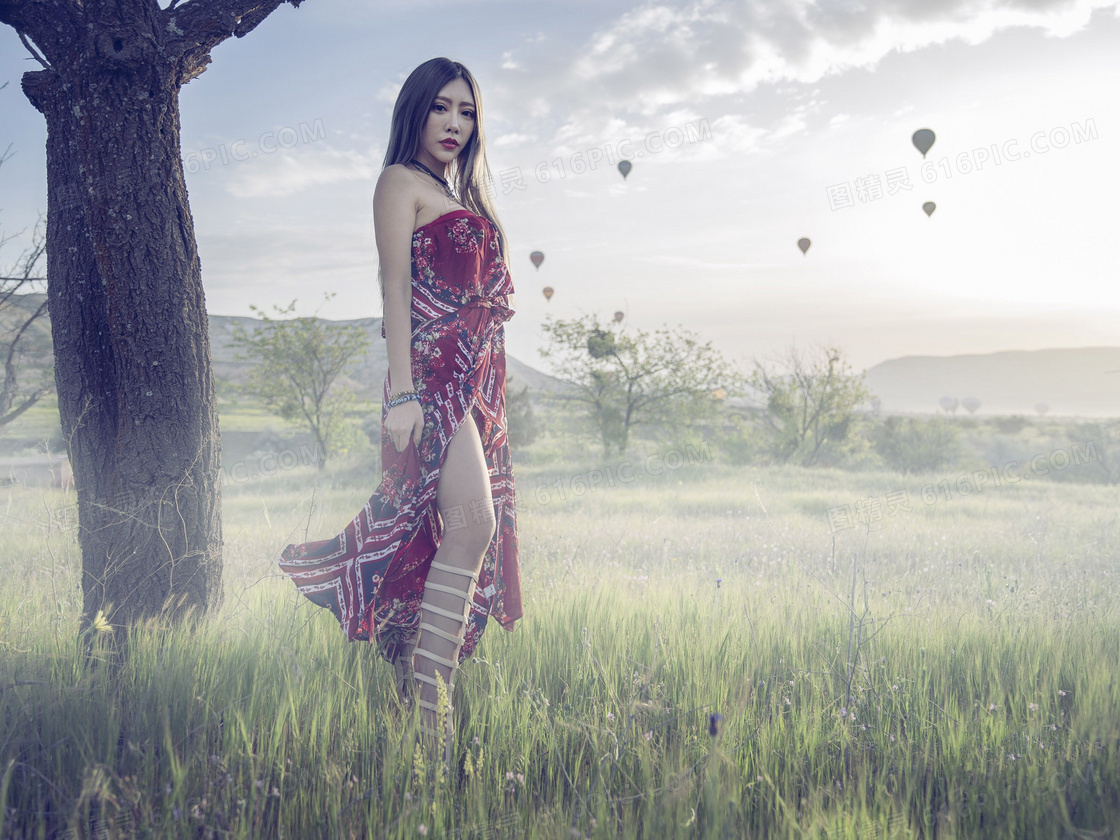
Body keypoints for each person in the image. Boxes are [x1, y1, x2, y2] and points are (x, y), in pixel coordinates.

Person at [277, 57, 523, 766]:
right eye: (441, 107)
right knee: (473, 523)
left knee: (466, 525)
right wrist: (406, 392)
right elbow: (393, 289)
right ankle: (431, 721)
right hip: (428, 381)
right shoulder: (399, 183)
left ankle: (427, 713)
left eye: (467, 111)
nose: (454, 123)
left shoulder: (463, 195)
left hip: (468, 387)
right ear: (415, 111)